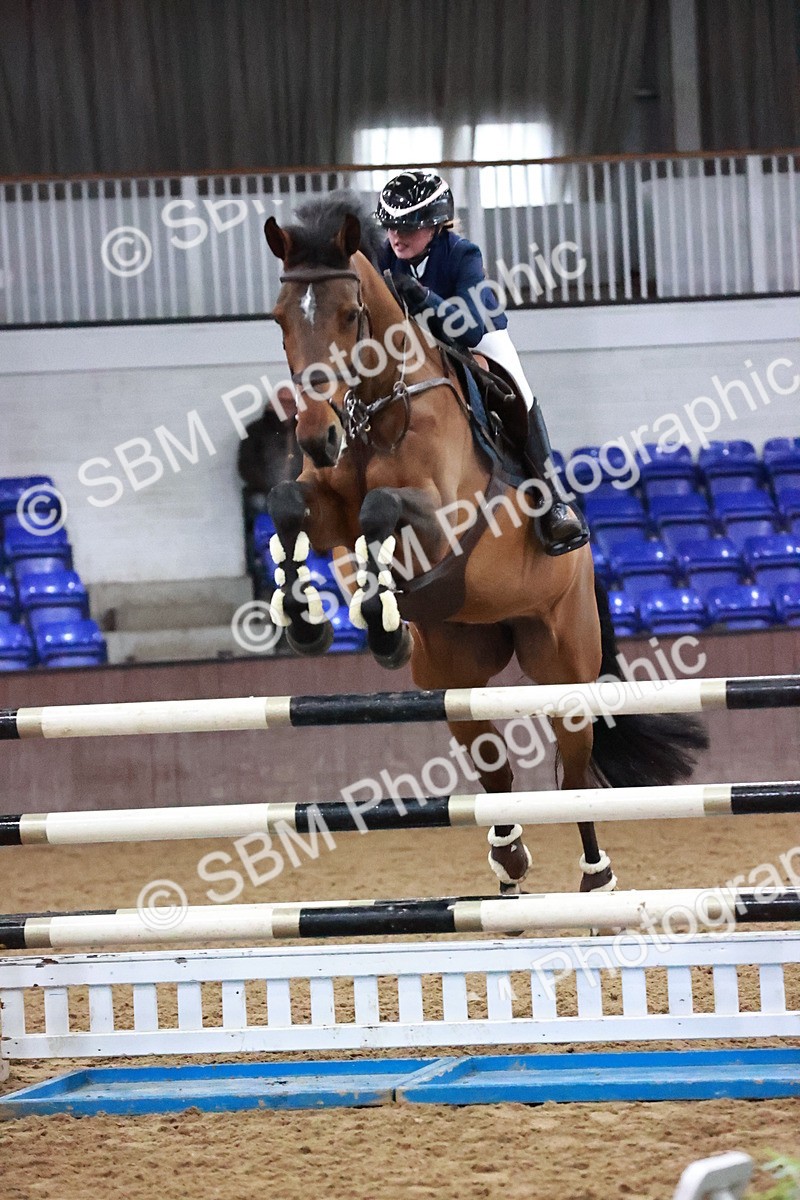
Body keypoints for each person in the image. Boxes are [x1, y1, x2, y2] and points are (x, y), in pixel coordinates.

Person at [376, 169, 588, 557]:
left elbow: (467, 321)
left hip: (477, 335)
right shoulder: (382, 257)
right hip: (416, 346)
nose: (396, 236)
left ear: (437, 225)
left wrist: (421, 295)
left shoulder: (462, 253)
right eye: (391, 226)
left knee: (518, 393)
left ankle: (553, 499)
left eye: (408, 226)